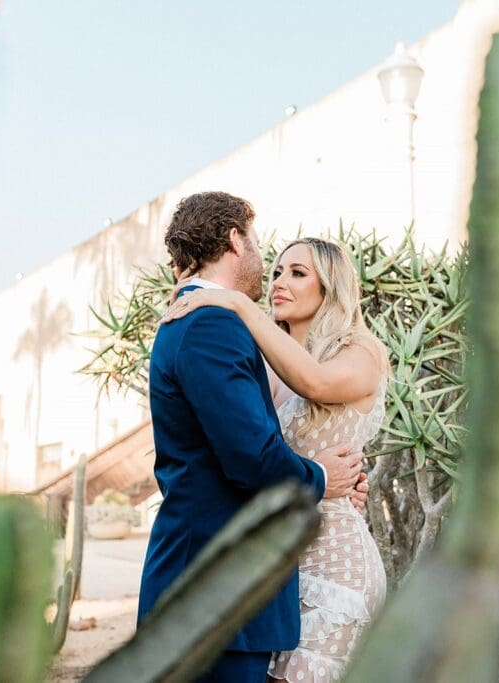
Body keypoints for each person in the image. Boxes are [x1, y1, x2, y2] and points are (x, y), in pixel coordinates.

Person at [139, 192, 369, 683]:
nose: (274, 273)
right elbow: (251, 457)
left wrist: (345, 477)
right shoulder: (211, 324)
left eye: (298, 272)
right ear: (234, 240)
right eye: (263, 247)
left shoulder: (214, 319)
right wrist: (323, 476)